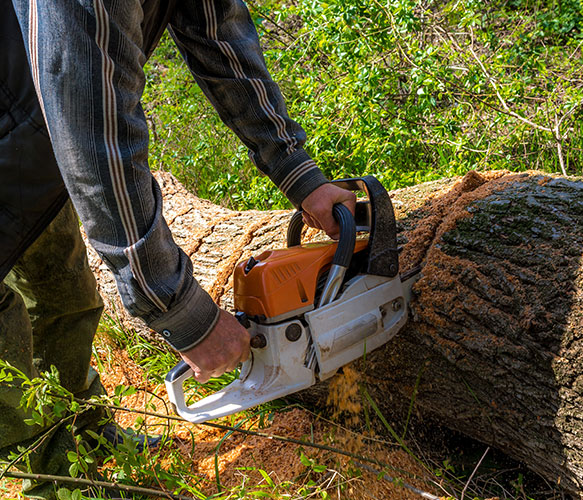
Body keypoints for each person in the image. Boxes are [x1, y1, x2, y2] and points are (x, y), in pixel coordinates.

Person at [1, 0, 355, 498]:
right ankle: (58, 480)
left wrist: (299, 173)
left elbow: (219, 37)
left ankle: (89, 438)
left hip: (30, 136)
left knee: (63, 297)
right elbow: (98, 138)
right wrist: (182, 311)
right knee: (4, 347)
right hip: (40, 125)